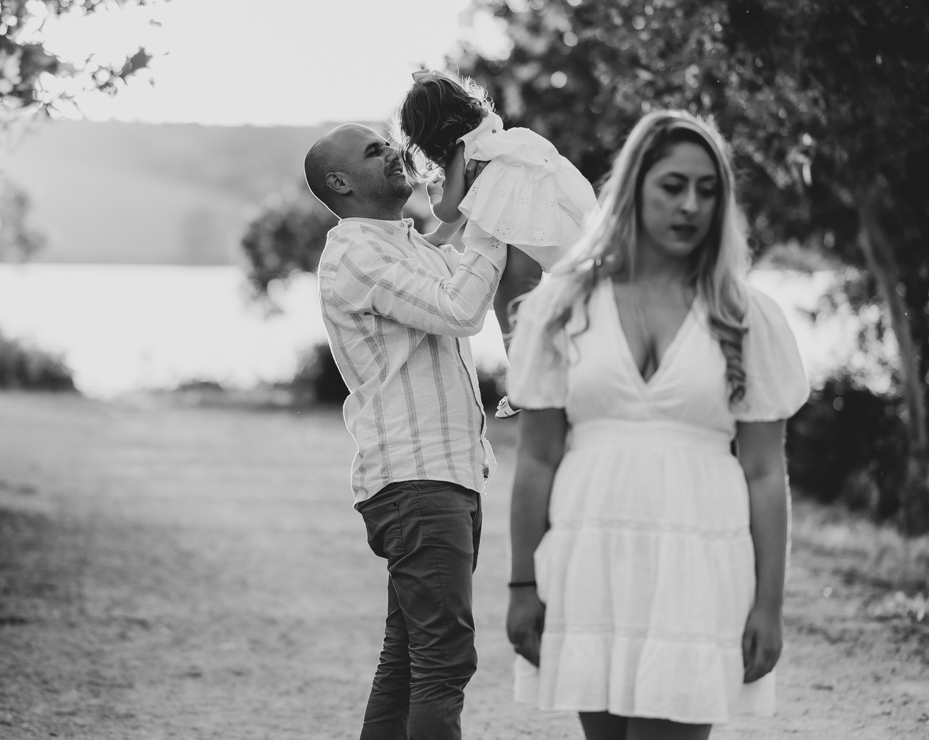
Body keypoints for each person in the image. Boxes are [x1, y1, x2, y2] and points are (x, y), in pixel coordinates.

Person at [503, 110, 809, 740]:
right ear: (635, 189)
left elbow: (763, 472)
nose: (691, 205)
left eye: (707, 190)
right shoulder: (561, 306)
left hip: (698, 559)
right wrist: (523, 584)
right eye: (673, 186)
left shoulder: (746, 315)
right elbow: (537, 459)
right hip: (591, 556)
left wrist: (769, 605)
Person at [304, 123, 508, 740]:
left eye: (389, 142)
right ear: (340, 183)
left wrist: (483, 181)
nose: (394, 151)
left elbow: (453, 252)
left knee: (408, 660)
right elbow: (460, 308)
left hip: (442, 476)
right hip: (419, 481)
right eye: (375, 151)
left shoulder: (404, 245)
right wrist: (499, 223)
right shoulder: (356, 255)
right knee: (444, 658)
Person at [393, 69, 600, 418]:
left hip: (519, 225)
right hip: (544, 214)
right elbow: (476, 199)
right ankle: (558, 365)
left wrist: (434, 199)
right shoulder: (490, 131)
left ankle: (523, 377)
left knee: (511, 301)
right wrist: (439, 238)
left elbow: (451, 208)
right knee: (537, 300)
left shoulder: (460, 152)